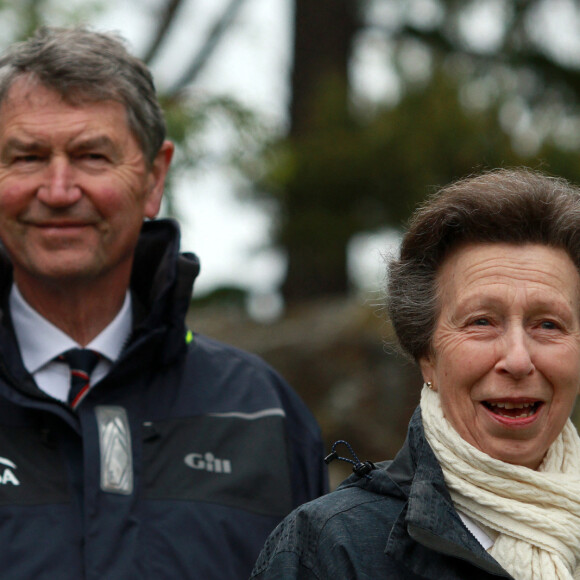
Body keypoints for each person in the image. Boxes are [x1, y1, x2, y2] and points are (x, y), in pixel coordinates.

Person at [0, 26, 327, 579]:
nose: (57, 191)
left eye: (91, 156)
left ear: (154, 177)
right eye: (27, 157)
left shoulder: (261, 415)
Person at [251, 167, 580, 580]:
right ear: (427, 355)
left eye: (548, 324)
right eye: (482, 322)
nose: (517, 359)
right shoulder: (333, 548)